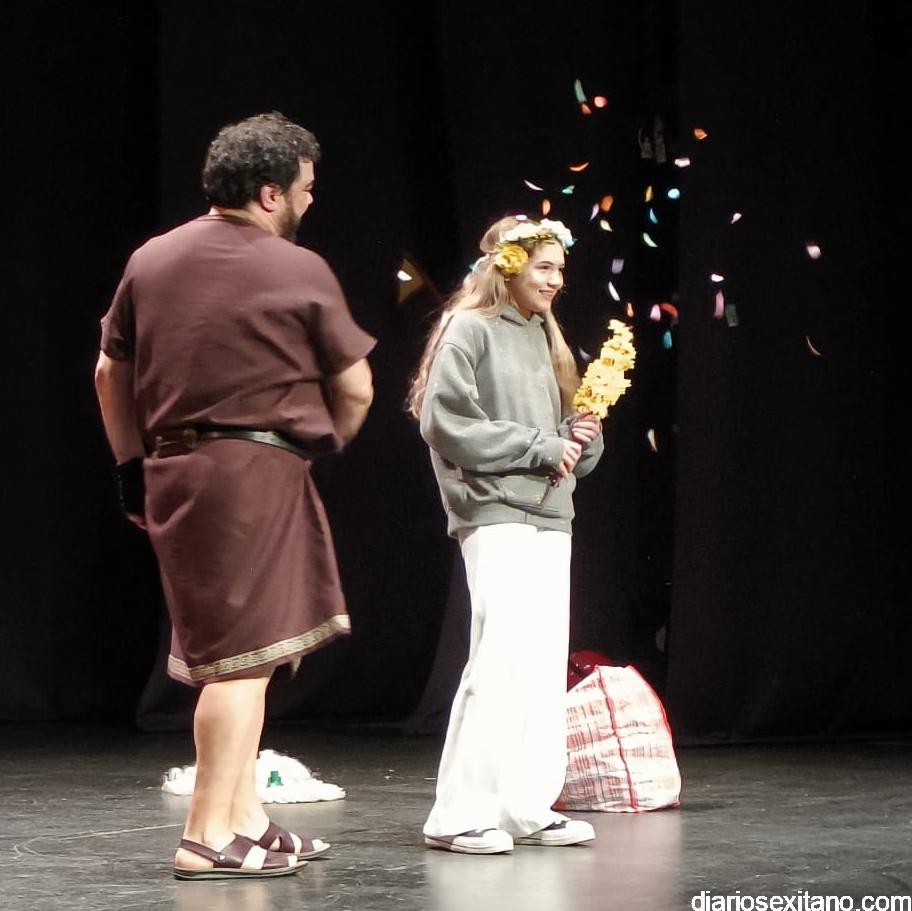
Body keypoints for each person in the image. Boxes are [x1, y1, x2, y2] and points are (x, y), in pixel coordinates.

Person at [94, 111, 375, 879]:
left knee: (247, 647)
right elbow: (356, 386)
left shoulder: (151, 258)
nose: (311, 200)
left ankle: (245, 816)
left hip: (172, 470)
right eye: (305, 187)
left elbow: (109, 372)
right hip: (250, 472)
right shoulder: (296, 266)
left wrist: (129, 465)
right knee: (238, 663)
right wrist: (324, 442)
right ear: (268, 192)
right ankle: (203, 837)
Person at [406, 215, 604, 854]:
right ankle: (459, 812)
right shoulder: (469, 328)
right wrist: (540, 446)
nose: (556, 281)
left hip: (550, 516)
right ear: (509, 267)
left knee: (541, 664)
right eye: (545, 268)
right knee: (501, 659)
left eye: (560, 270)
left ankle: (525, 805)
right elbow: (445, 421)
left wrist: (581, 438)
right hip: (495, 512)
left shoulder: (547, 337)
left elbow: (565, 442)